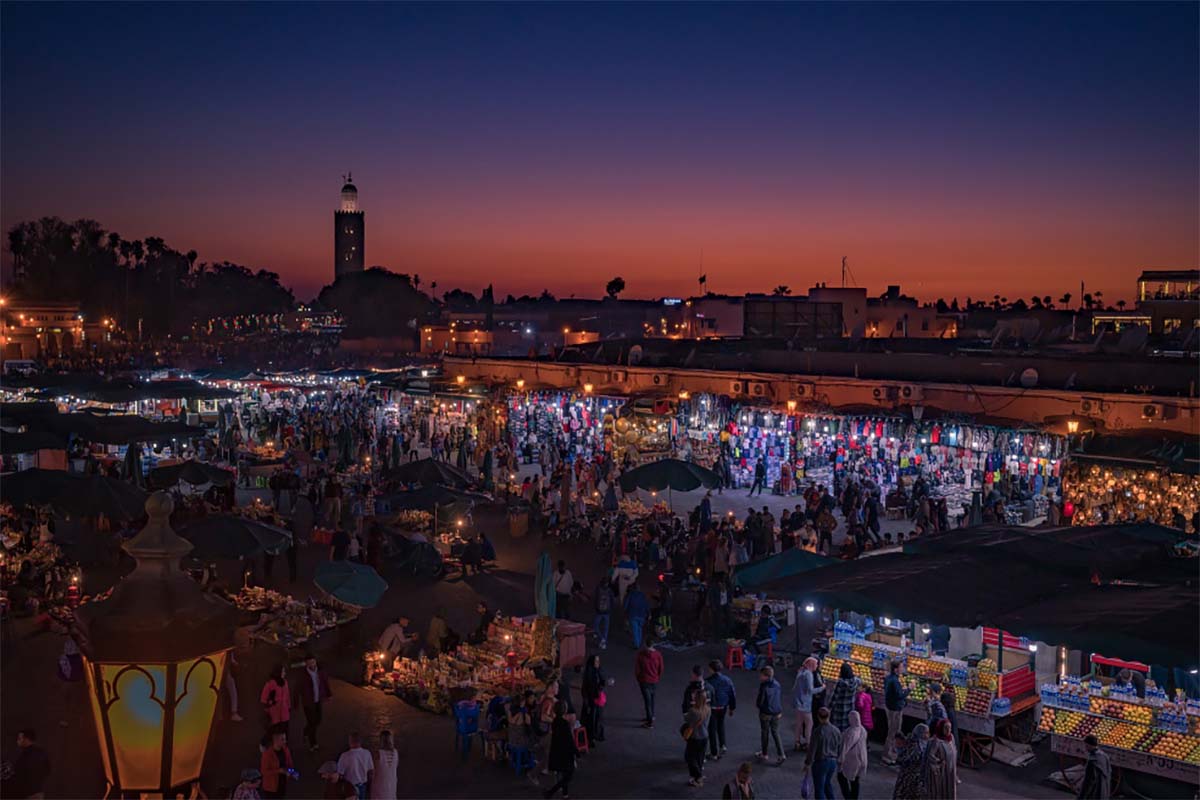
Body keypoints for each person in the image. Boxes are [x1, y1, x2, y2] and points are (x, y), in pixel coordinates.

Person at [293, 654, 333, 752]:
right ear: (306, 663)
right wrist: (296, 703)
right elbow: (297, 690)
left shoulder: (320, 672)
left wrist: (328, 694)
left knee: (318, 720)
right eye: (309, 662)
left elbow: (325, 682)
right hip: (308, 702)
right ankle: (313, 743)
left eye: (313, 662)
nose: (312, 664)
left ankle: (306, 731)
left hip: (317, 700)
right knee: (312, 722)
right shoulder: (302, 675)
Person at [542, 700, 579, 799]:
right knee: (569, 775)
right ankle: (551, 792)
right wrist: (576, 752)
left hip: (556, 751)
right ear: (565, 710)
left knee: (561, 774)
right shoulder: (565, 724)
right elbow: (569, 740)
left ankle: (564, 794)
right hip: (565, 753)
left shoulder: (555, 722)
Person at [803, 707, 842, 800]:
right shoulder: (836, 730)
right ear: (829, 716)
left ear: (818, 717)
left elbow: (812, 749)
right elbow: (839, 746)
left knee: (819, 788)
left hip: (820, 762)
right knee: (827, 784)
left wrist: (807, 763)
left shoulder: (818, 731)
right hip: (833, 762)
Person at [1, 729, 50, 800]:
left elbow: (20, 773)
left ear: (26, 739)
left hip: (25, 793)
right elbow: (47, 770)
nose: (17, 741)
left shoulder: (25, 754)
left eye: (19, 738)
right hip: (37, 792)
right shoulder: (42, 752)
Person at [792, 657, 824, 752]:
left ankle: (797, 742)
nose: (817, 666)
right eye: (816, 664)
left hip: (798, 703)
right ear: (811, 665)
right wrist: (822, 688)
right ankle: (808, 743)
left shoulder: (801, 672)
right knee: (809, 724)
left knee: (799, 724)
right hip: (805, 704)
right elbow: (810, 690)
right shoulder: (809, 675)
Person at [706, 660, 737, 760]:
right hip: (723, 707)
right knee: (721, 725)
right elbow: (732, 694)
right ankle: (723, 745)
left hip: (713, 708)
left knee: (712, 729)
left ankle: (714, 753)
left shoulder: (708, 681)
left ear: (711, 669)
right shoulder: (727, 680)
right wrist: (732, 708)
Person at [755, 666, 786, 765]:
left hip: (766, 713)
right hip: (777, 712)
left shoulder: (764, 686)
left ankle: (764, 754)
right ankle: (781, 754)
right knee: (775, 732)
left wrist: (759, 707)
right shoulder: (777, 684)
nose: (760, 677)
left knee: (765, 732)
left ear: (766, 676)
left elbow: (760, 701)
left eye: (761, 675)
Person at [892, 724, 931, 800]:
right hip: (908, 778)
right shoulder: (914, 745)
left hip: (917, 778)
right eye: (926, 733)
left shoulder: (925, 744)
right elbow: (905, 758)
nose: (928, 735)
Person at [683, 686, 711, 787]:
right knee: (700, 757)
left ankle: (698, 776)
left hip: (695, 737)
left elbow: (686, 719)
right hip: (705, 736)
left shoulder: (693, 711)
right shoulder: (708, 709)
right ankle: (697, 776)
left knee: (690, 757)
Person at [883, 660, 910, 765]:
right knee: (893, 732)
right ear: (896, 669)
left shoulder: (889, 678)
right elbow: (899, 696)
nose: (903, 669)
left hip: (891, 707)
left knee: (894, 732)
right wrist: (909, 689)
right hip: (894, 709)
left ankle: (892, 754)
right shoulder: (894, 681)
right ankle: (887, 756)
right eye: (901, 667)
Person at [837, 710, 868, 799]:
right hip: (862, 758)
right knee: (855, 781)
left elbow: (845, 747)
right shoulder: (863, 730)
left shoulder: (851, 732)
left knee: (841, 777)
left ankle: (848, 797)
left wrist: (840, 759)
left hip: (852, 760)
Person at [581, 654, 610, 744]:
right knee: (591, 720)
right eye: (596, 661)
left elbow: (601, 682)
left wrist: (605, 682)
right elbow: (586, 688)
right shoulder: (589, 674)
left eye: (598, 661)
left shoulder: (599, 670)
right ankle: (591, 738)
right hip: (591, 700)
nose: (598, 663)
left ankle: (597, 735)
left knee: (598, 718)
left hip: (598, 700)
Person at [925, 718, 957, 799]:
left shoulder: (951, 738)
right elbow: (930, 756)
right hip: (941, 772)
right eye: (946, 728)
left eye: (950, 728)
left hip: (950, 770)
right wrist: (939, 762)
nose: (948, 730)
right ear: (941, 728)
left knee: (950, 789)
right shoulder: (936, 741)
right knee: (940, 791)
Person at [634, 639, 663, 728]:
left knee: (647, 701)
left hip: (644, 681)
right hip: (654, 681)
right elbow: (661, 668)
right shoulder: (658, 655)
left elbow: (637, 669)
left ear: (645, 645)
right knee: (652, 699)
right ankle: (651, 716)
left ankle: (649, 722)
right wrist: (657, 677)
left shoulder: (641, 655)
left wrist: (639, 679)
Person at [336, 731, 374, 800]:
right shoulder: (367, 753)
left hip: (349, 788)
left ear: (350, 741)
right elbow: (370, 771)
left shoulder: (344, 756)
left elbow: (340, 774)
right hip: (362, 786)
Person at [259, 730, 294, 799]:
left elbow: (290, 763)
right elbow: (264, 771)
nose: (285, 741)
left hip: (282, 782)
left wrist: (291, 771)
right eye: (282, 739)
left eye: (285, 739)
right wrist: (278, 771)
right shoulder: (267, 754)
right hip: (271, 787)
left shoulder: (286, 750)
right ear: (276, 741)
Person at [828, 661, 861, 732]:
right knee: (846, 728)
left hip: (839, 709)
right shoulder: (856, 681)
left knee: (836, 729)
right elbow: (860, 681)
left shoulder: (840, 682)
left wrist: (829, 707)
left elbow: (835, 696)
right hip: (849, 708)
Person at [260, 664, 292, 734]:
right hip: (274, 713)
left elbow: (287, 696)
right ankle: (263, 744)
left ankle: (284, 744)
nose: (285, 673)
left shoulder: (285, 682)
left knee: (285, 730)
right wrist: (269, 705)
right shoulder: (270, 684)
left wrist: (289, 706)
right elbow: (263, 699)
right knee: (273, 731)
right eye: (283, 672)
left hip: (284, 712)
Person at [1077, 734, 1112, 799]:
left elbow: (1088, 781)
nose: (1085, 748)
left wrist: (1081, 796)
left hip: (1095, 793)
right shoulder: (1104, 756)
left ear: (1089, 745)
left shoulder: (1092, 760)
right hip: (1104, 791)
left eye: (1086, 745)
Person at [369, 730, 398, 800]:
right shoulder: (395, 752)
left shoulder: (378, 754)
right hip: (392, 782)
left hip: (380, 783)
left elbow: (372, 770)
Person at [624, 583, 650, 648]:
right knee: (639, 629)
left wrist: (625, 613)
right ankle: (639, 641)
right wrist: (648, 613)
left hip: (633, 614)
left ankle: (637, 644)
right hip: (642, 615)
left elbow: (625, 605)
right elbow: (646, 605)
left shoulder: (630, 595)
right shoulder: (642, 595)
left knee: (634, 629)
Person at [593, 579, 613, 650]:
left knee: (595, 626)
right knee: (606, 628)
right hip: (607, 612)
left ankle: (602, 639)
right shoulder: (610, 591)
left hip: (599, 611)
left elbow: (595, 599)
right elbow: (612, 600)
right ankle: (604, 642)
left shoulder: (598, 589)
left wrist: (595, 608)